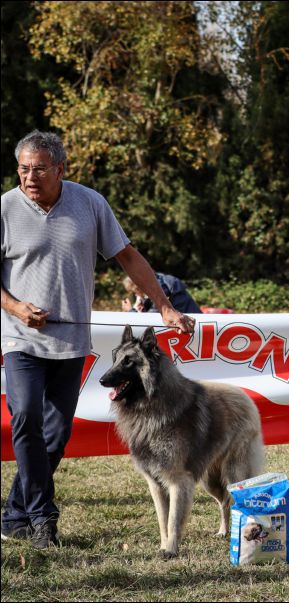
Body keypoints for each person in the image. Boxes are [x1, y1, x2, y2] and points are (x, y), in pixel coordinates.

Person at [1, 130, 196, 549]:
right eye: (23, 169)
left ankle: (15, 513)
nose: (29, 178)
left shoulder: (89, 203)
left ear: (60, 169)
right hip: (20, 339)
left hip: (71, 342)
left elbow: (127, 256)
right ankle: (42, 520)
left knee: (56, 434)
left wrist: (164, 306)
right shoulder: (5, 208)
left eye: (39, 169)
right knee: (26, 418)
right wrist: (15, 308)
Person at [121, 273, 201, 314]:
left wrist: (130, 311)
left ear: (138, 288)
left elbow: (150, 321)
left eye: (134, 292)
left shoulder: (161, 290)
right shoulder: (157, 283)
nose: (135, 295)